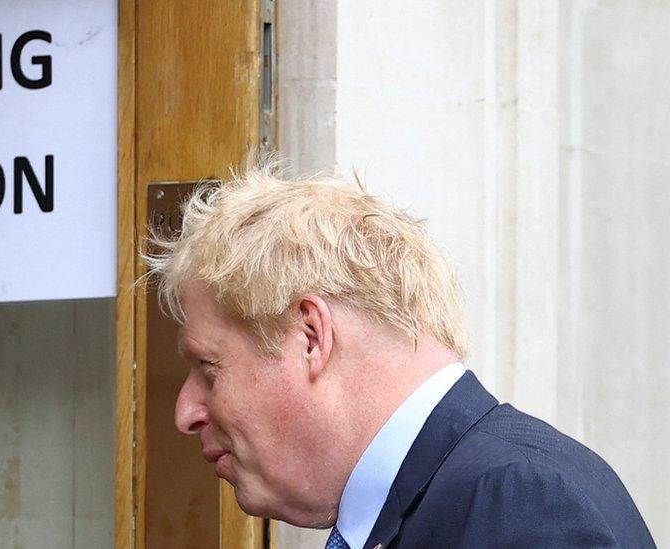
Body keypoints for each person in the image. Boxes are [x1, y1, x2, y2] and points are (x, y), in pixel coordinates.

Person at [144, 162, 655, 548]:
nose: (185, 412)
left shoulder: (518, 504)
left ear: (310, 336)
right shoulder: (464, 495)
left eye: (209, 370)